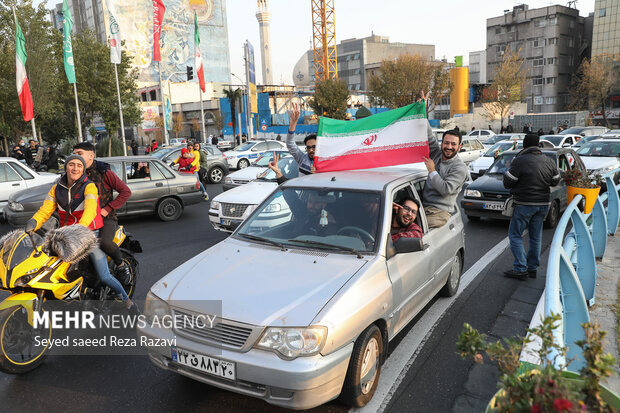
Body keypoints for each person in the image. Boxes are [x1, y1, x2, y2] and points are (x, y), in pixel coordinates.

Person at [25, 154, 137, 312]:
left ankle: (127, 302)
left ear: (83, 169)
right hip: (66, 234)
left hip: (88, 234)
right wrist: (33, 222)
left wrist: (80, 228)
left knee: (104, 275)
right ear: (66, 167)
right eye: (71, 164)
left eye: (79, 165)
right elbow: (45, 211)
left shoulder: (89, 186)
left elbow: (90, 210)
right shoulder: (57, 188)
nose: (75, 168)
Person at [502, 134, 561, 280]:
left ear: (524, 144)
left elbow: (508, 182)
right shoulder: (548, 161)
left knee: (515, 235)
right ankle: (532, 268)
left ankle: (521, 268)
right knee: (536, 237)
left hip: (524, 204)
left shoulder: (520, 161)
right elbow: (555, 181)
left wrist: (508, 171)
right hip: (542, 204)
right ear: (538, 144)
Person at [72, 142, 133, 283]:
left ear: (91, 156)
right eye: (74, 154)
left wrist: (107, 209)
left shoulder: (104, 172)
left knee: (104, 242)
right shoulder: (74, 173)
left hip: (106, 218)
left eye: (79, 154)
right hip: (82, 219)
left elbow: (126, 192)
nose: (75, 157)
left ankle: (121, 265)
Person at [422, 127, 469, 228]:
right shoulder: (437, 154)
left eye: (453, 144)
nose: (449, 147)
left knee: (412, 228)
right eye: (446, 143)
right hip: (423, 207)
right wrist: (421, 115)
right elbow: (428, 135)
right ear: (441, 143)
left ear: (459, 146)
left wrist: (432, 170)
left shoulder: (460, 168)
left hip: (439, 213)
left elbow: (445, 189)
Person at [286, 102, 315, 175]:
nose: (311, 150)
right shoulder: (303, 158)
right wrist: (294, 122)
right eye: (308, 148)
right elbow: (290, 144)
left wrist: (319, 172)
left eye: (314, 147)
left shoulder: (325, 162)